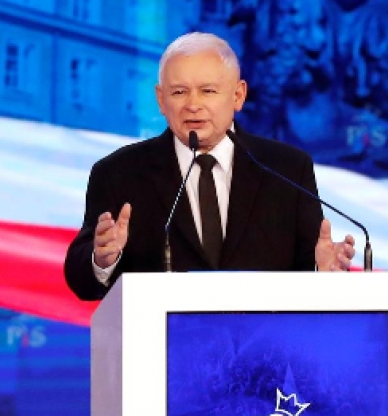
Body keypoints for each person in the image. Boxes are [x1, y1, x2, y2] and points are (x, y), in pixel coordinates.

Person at [64, 32, 355, 301]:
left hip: (264, 338)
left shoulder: (287, 168)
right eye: (179, 92)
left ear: (238, 96)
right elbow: (80, 279)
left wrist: (322, 272)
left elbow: (307, 268)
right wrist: (102, 259)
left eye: (207, 91)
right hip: (160, 339)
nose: (193, 105)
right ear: (161, 100)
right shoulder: (118, 173)